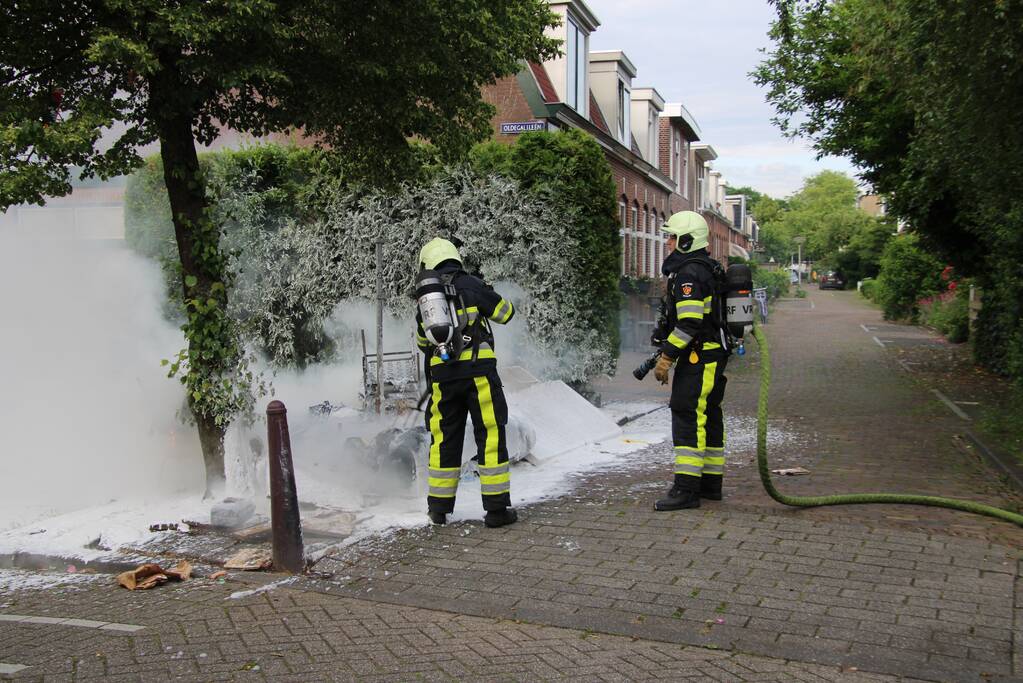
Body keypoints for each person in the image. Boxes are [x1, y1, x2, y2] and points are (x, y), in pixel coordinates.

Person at [414, 238, 518, 528]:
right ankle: (496, 510)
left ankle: (438, 509)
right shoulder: (472, 284)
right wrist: (485, 292)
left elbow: (423, 342)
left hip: (443, 378)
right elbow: (506, 313)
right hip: (478, 372)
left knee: (444, 438)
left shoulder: (427, 299)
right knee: (490, 433)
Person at [652, 212, 730, 511]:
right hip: (712, 353)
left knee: (687, 413)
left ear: (686, 240)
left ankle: (686, 489)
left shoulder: (688, 274)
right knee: (709, 414)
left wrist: (667, 357)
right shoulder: (706, 267)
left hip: (700, 355)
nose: (668, 243)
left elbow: (689, 323)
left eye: (672, 237)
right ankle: (710, 484)